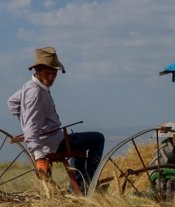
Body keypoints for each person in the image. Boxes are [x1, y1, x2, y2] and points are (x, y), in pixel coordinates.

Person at [7, 47, 104, 192]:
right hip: (53, 143)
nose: (51, 78)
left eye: (54, 74)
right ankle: (87, 185)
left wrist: (30, 120)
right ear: (38, 70)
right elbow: (30, 127)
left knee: (80, 146)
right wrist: (39, 157)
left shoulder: (30, 86)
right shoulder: (35, 93)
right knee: (98, 138)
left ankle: (77, 187)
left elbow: (12, 102)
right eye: (48, 73)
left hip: (49, 140)